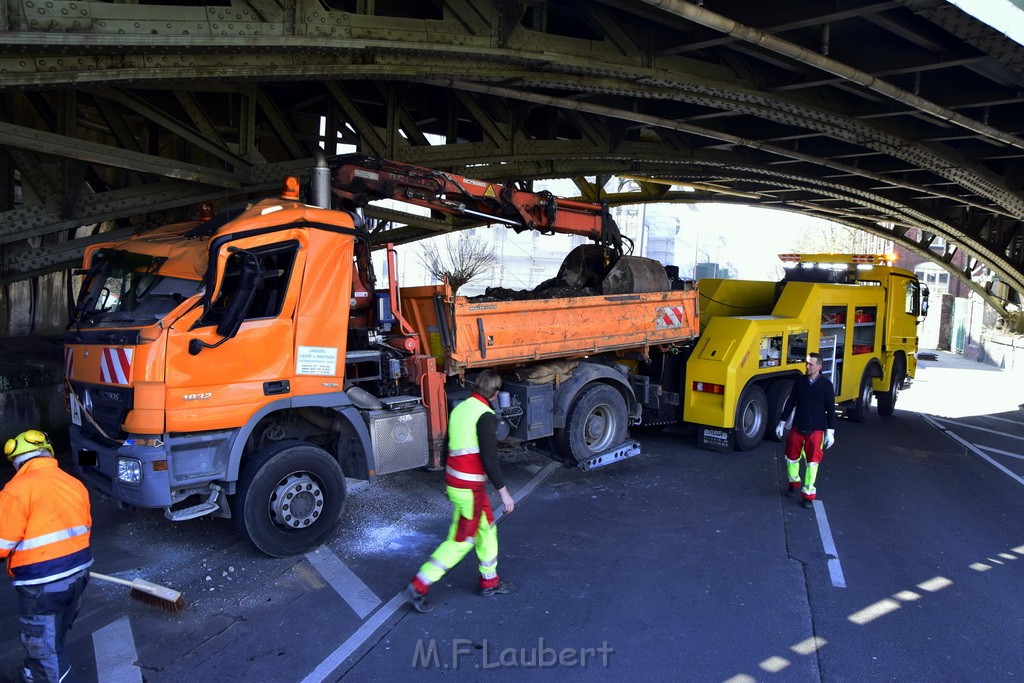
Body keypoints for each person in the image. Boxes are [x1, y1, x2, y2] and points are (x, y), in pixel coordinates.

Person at [403, 370, 517, 613]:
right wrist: (504, 493)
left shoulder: (461, 408)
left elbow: (445, 447)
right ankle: (418, 585)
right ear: (496, 395)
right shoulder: (486, 415)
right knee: (461, 540)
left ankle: (489, 582)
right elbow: (489, 458)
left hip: (458, 483)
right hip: (470, 487)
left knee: (486, 527)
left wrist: (449, 482)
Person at [0, 430, 93, 682]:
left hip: (43, 587)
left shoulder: (15, 490)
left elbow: (2, 544)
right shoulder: (74, 483)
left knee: (47, 655)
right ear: (47, 453)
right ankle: (30, 675)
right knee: (54, 640)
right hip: (79, 577)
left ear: (16, 462)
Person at [775, 353, 837, 509]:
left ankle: (808, 495)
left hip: (816, 431)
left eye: (811, 364)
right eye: (807, 363)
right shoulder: (800, 382)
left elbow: (830, 410)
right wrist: (781, 422)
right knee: (791, 458)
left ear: (819, 367)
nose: (807, 366)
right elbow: (791, 402)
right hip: (797, 427)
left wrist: (830, 432)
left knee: (812, 464)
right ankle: (793, 483)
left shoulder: (826, 385)